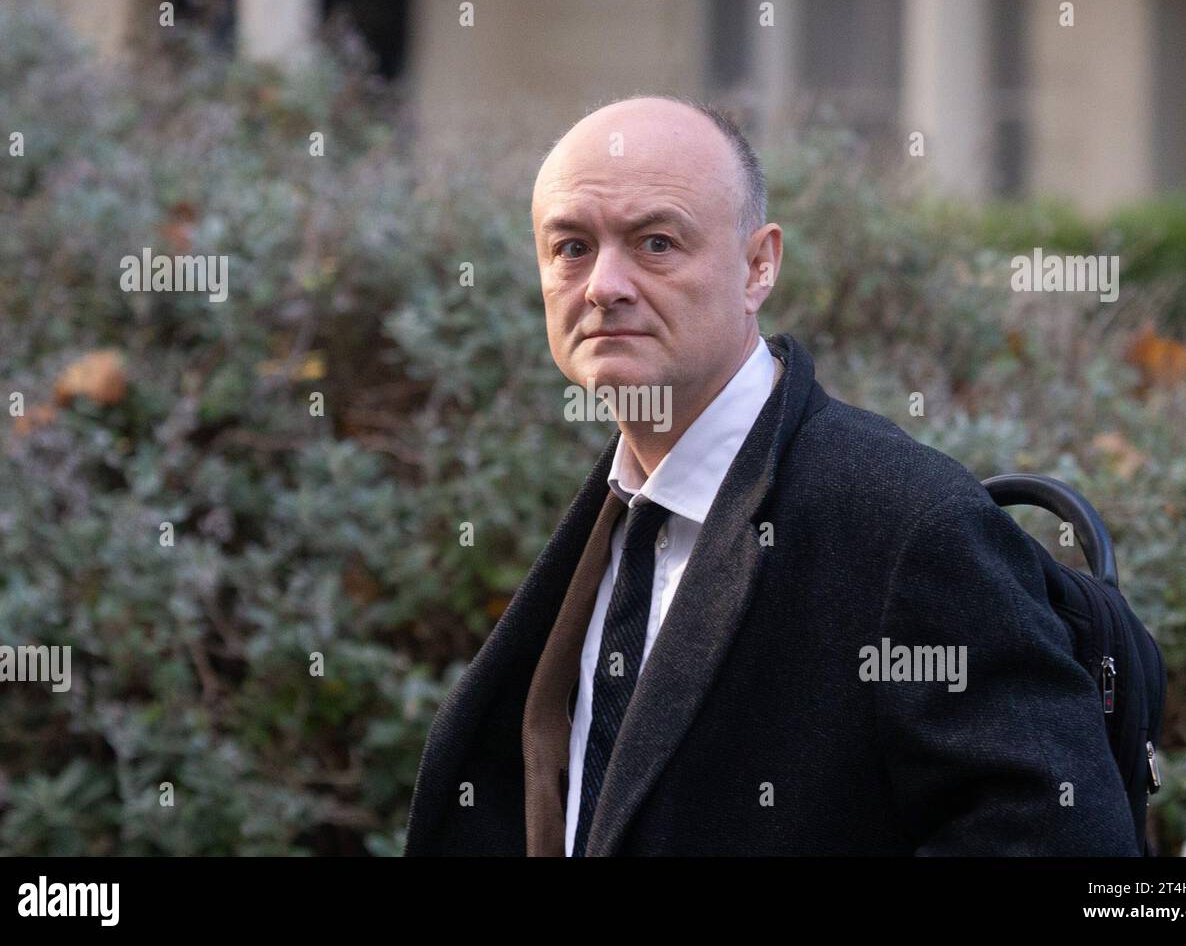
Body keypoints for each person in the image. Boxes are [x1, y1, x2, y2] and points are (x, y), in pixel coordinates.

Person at [403, 95, 1138, 856]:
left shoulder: (905, 524)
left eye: (655, 242)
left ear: (759, 266)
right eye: (571, 246)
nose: (603, 284)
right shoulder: (617, 517)